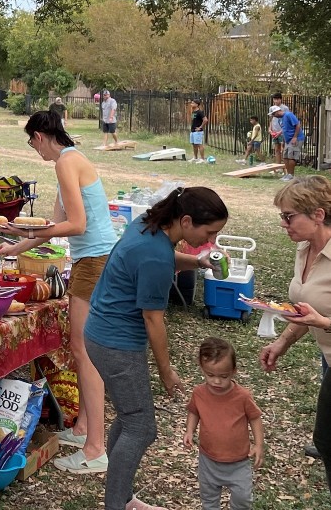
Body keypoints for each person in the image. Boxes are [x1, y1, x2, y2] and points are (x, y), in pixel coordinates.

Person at [84, 186, 228, 510]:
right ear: (187, 220)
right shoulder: (156, 255)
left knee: (129, 417)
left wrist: (199, 261)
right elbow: (153, 320)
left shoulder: (150, 225)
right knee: (141, 427)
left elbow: (161, 257)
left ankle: (122, 498)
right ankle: (116, 504)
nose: (212, 240)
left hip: (101, 335)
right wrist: (166, 371)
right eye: (210, 232)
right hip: (116, 345)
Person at [0, 110, 117, 475]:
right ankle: (83, 430)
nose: (36, 151)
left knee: (84, 350)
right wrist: (16, 246)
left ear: (39, 136)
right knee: (81, 349)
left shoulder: (66, 162)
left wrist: (27, 235)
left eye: (33, 143)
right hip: (90, 261)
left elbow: (77, 225)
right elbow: (53, 225)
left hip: (94, 261)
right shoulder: (71, 160)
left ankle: (96, 449)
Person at [259, 175, 331, 495]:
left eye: (289, 216)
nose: (283, 224)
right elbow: (308, 310)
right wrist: (282, 341)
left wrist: (323, 321)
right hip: (328, 355)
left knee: (326, 439)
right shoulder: (304, 248)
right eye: (282, 217)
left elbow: (317, 316)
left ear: (317, 215)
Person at [183, 337, 264, 510]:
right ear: (202, 368)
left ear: (234, 371)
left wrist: (258, 445)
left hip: (239, 462)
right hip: (209, 460)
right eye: (210, 375)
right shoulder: (199, 393)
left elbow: (255, 418)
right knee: (209, 498)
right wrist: (189, 431)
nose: (217, 381)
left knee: (243, 498)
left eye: (223, 376)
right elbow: (194, 411)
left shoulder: (242, 396)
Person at [269, 102, 304, 181]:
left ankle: (291, 175)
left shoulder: (288, 115)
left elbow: (297, 125)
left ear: (277, 111)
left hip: (296, 139)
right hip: (288, 140)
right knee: (285, 156)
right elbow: (285, 129)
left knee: (291, 157)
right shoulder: (280, 119)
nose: (273, 116)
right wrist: (280, 134)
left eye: (274, 114)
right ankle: (288, 174)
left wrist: (295, 137)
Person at [189, 99, 209, 163]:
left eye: (193, 103)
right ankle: (195, 157)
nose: (191, 104)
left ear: (197, 105)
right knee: (194, 144)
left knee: (199, 144)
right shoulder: (193, 112)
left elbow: (205, 120)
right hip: (193, 131)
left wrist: (200, 127)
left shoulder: (200, 112)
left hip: (198, 132)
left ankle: (202, 159)